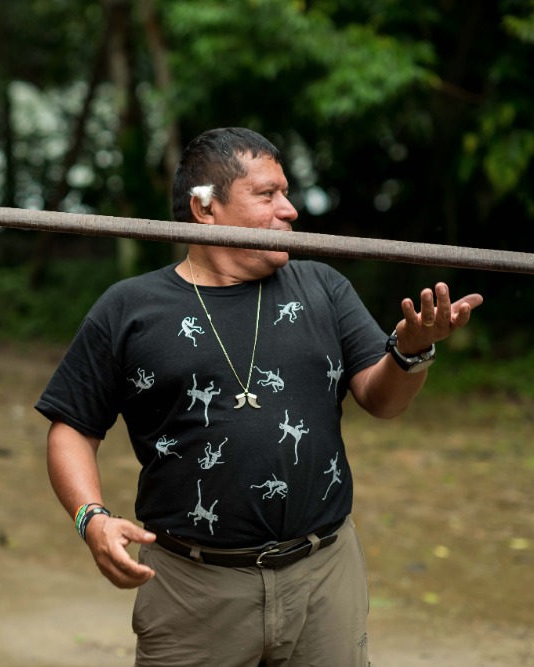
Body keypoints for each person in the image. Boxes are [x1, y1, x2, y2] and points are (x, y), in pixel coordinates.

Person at [35, 127, 483, 667]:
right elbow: (72, 427)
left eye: (285, 193)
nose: (289, 210)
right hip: (194, 590)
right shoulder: (129, 309)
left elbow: (383, 400)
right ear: (205, 207)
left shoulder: (323, 288)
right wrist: (91, 518)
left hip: (324, 576)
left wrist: (411, 352)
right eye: (267, 195)